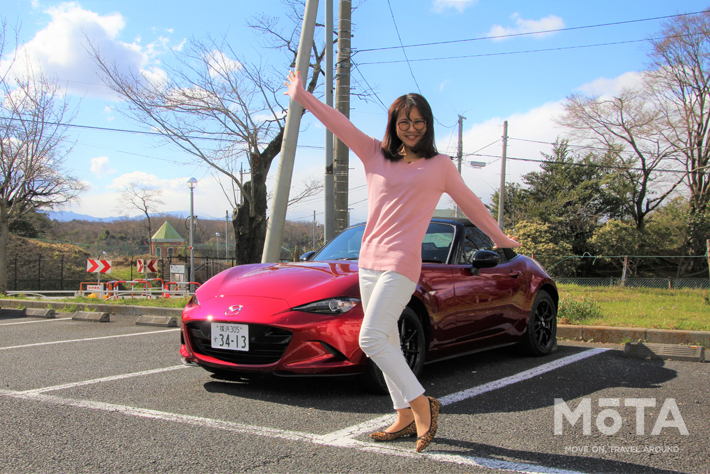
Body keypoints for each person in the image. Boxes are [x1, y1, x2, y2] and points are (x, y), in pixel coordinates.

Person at [284, 70, 521, 453]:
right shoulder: (374, 153)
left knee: (371, 337)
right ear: (394, 123)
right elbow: (338, 122)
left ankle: (422, 403)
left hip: (401, 263)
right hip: (368, 261)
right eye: (404, 120)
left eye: (419, 121)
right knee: (388, 338)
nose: (412, 127)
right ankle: (403, 415)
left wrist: (499, 237)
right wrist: (303, 96)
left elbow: (470, 203)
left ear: (427, 125)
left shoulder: (440, 165)